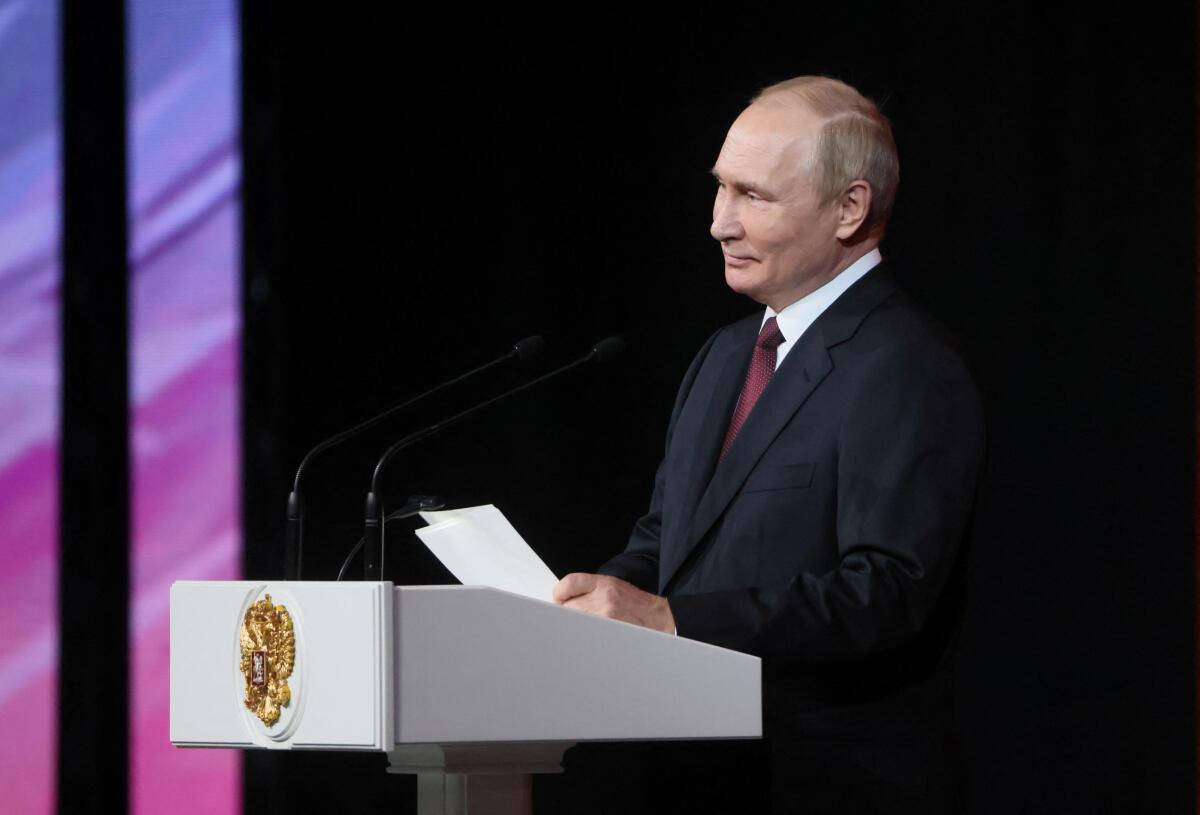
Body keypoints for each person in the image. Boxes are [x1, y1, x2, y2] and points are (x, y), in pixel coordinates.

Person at [552, 76, 985, 813]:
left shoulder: (907, 366)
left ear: (849, 208)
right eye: (720, 189)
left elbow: (883, 592)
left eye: (754, 196)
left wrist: (673, 619)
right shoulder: (724, 356)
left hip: (831, 784)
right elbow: (668, 539)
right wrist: (592, 603)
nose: (720, 223)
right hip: (692, 775)